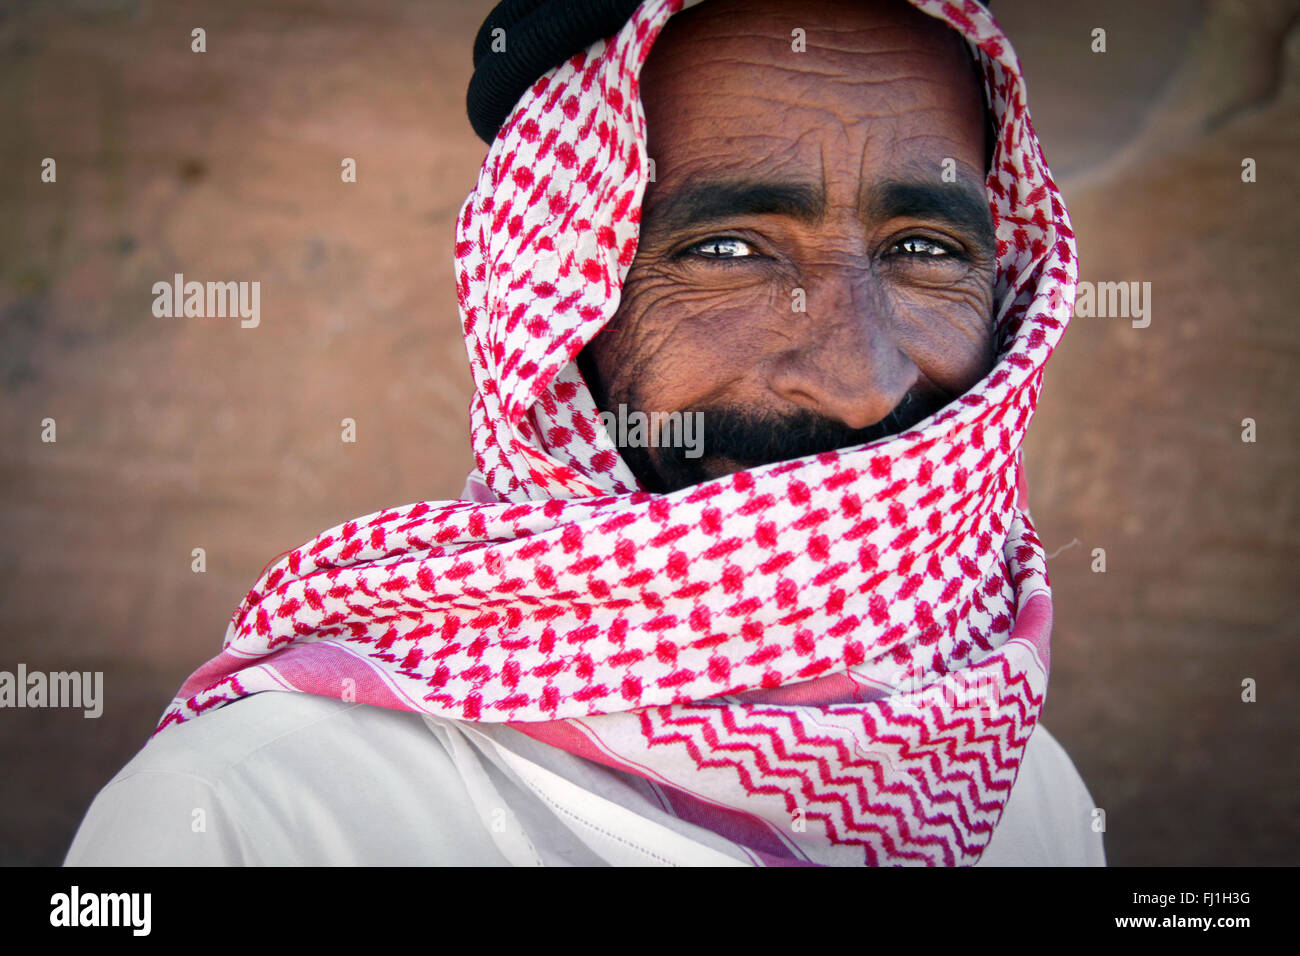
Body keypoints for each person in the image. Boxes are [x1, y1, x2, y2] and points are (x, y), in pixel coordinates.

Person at [66, 0, 1104, 866]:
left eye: (922, 247)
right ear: (553, 314)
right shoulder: (258, 815)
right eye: (731, 249)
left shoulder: (1025, 793)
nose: (857, 382)